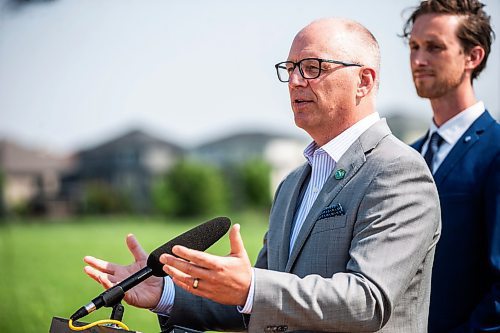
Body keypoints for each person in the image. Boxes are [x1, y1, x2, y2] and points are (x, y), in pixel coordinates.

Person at [84, 18, 441, 332]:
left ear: (364, 81)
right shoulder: (291, 184)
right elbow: (259, 304)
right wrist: (165, 293)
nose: (296, 81)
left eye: (313, 67)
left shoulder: (397, 171)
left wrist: (252, 286)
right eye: (291, 67)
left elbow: (367, 302)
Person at [402, 0, 500, 332]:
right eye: (414, 46)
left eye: (434, 47)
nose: (418, 59)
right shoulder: (407, 158)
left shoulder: (496, 151)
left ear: (473, 57)